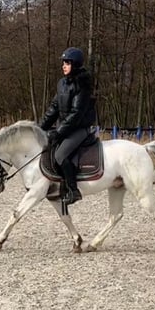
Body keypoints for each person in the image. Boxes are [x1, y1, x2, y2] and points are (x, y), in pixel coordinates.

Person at [39, 47, 95, 205]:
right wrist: (39, 128)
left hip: (79, 128)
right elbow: (54, 108)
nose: (63, 65)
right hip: (66, 127)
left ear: (75, 64)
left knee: (60, 155)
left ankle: (73, 190)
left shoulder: (82, 84)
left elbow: (76, 114)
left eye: (67, 62)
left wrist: (58, 132)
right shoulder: (62, 83)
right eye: (63, 62)